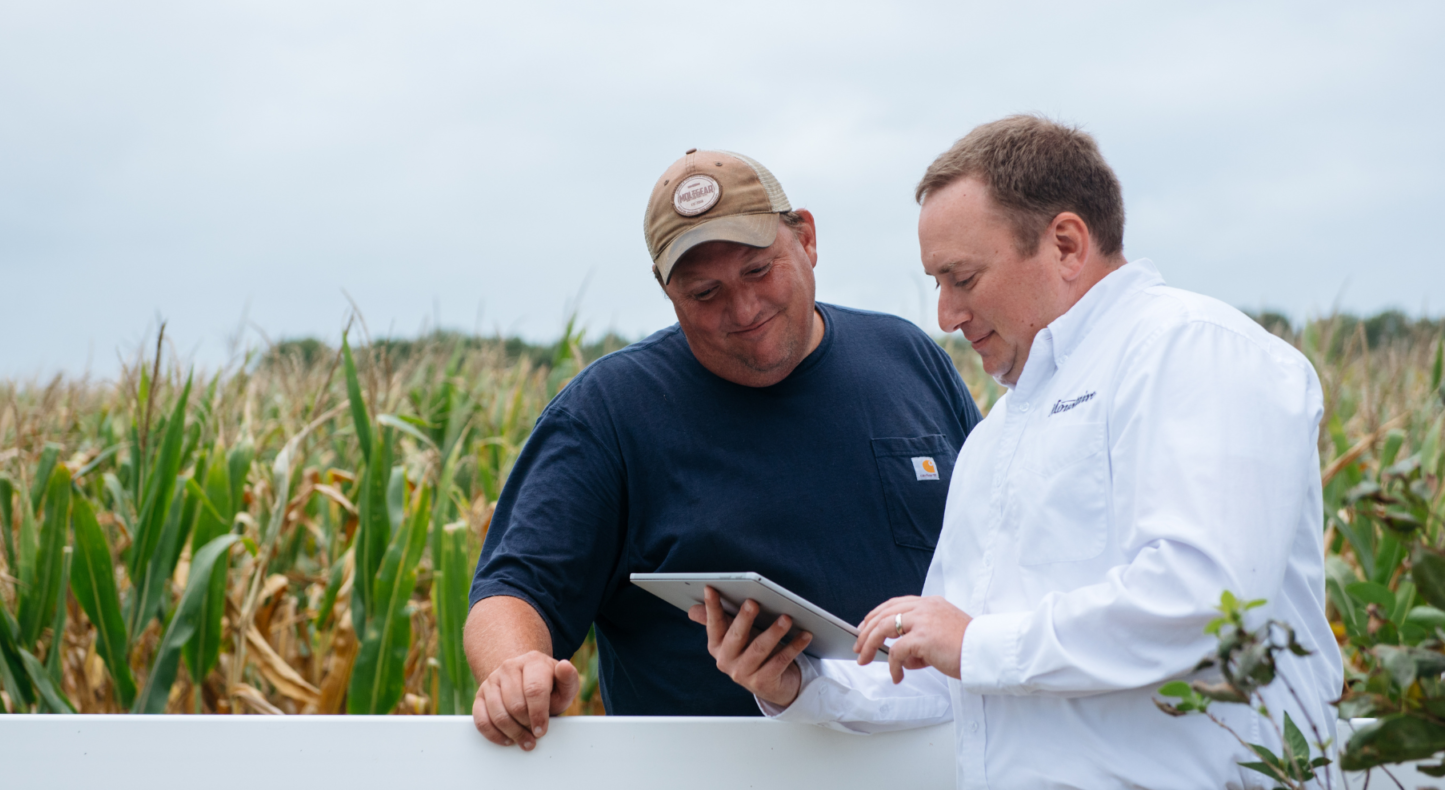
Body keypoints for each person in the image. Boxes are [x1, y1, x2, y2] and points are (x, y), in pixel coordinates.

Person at [696, 116, 1343, 788]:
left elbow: (1207, 600)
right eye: (937, 283)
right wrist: (800, 684)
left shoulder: (1193, 349)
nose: (945, 315)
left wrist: (974, 643)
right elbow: (953, 673)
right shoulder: (999, 432)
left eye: (962, 277)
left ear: (1066, 244)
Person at [465, 148, 984, 750]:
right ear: (667, 290)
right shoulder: (608, 412)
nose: (743, 309)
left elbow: (1004, 538)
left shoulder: (908, 358)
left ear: (806, 238)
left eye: (759, 270)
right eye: (704, 292)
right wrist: (516, 671)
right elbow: (514, 589)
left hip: (942, 765)